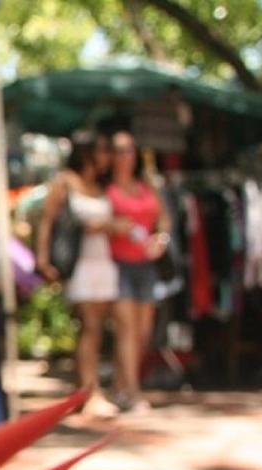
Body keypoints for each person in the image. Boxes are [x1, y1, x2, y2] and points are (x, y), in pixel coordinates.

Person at [36, 133, 120, 416]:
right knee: (90, 325)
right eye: (104, 150)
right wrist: (43, 259)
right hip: (79, 263)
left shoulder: (100, 186)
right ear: (88, 153)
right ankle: (90, 390)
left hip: (104, 261)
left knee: (98, 328)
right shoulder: (64, 181)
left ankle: (85, 388)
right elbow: (47, 221)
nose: (109, 156)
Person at [107, 130, 171, 414]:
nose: (125, 155)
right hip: (117, 264)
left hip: (146, 266)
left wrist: (161, 240)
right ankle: (133, 392)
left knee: (142, 333)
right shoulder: (106, 189)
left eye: (129, 149)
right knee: (126, 329)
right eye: (119, 150)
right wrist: (115, 226)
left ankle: (120, 385)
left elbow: (164, 220)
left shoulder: (147, 186)